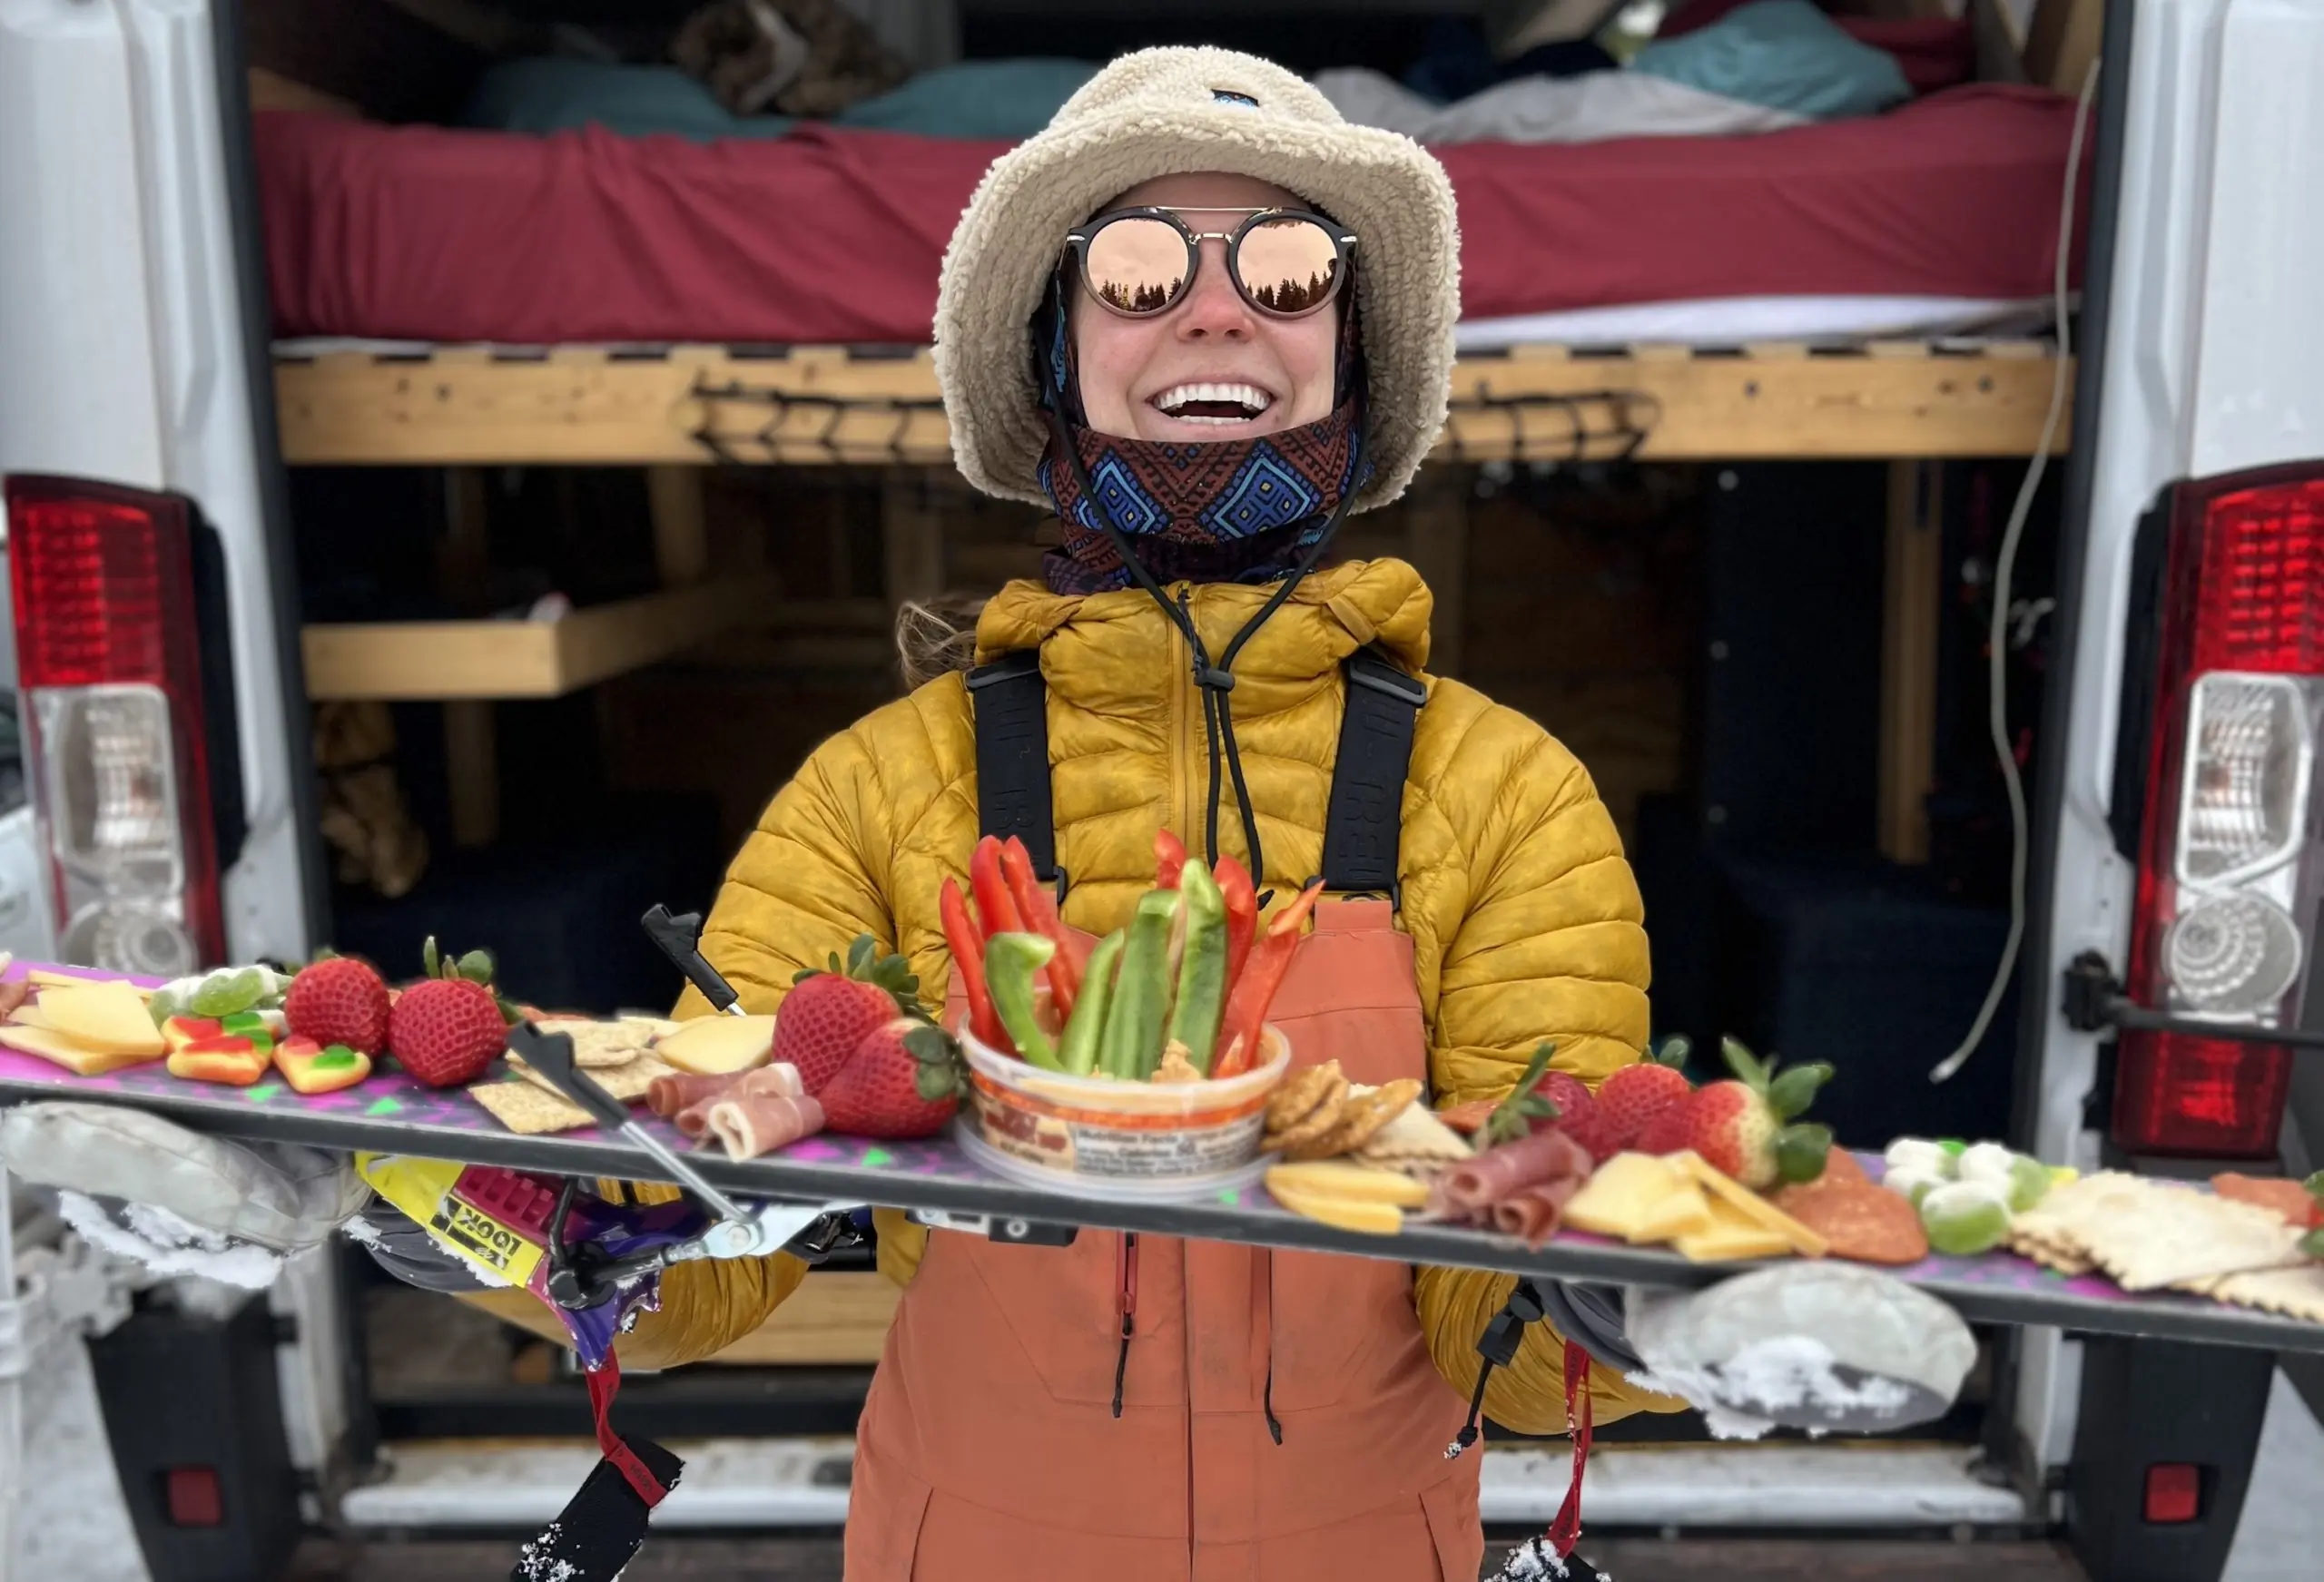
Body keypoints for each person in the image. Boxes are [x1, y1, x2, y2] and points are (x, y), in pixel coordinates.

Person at [458, 46, 1690, 1577]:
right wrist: (449, 1187)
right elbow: (697, 1253)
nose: (1219, 309)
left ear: (1354, 359)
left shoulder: (1507, 794)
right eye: (1138, 266)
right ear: (1056, 350)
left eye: (1295, 271)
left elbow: (1498, 1313)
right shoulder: (879, 788)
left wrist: (1639, 1299)